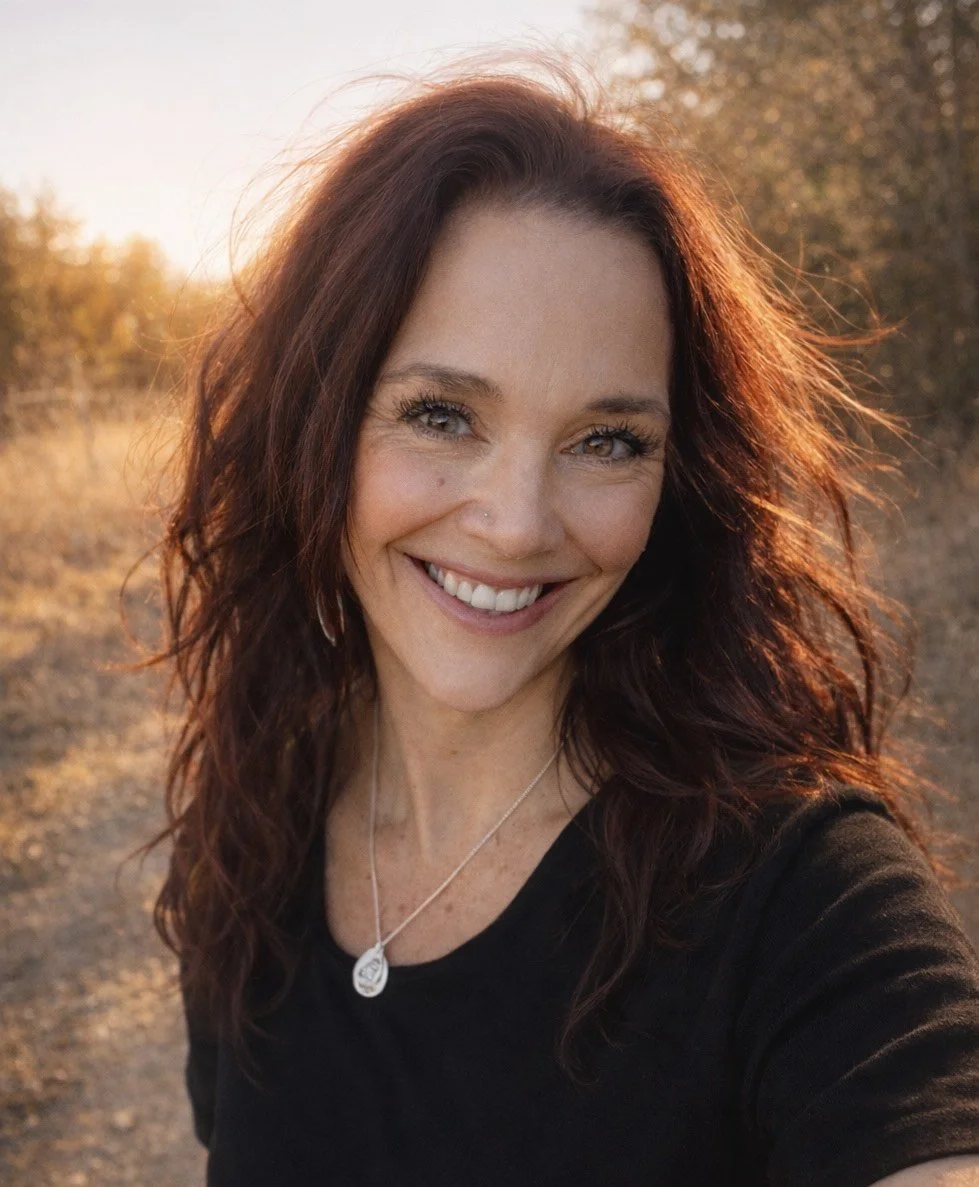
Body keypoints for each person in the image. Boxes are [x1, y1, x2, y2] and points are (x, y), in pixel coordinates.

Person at [146, 63, 979, 1185]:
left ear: (677, 477)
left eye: (606, 440)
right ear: (317, 422)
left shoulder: (799, 894)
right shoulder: (256, 816)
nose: (516, 523)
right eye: (441, 414)